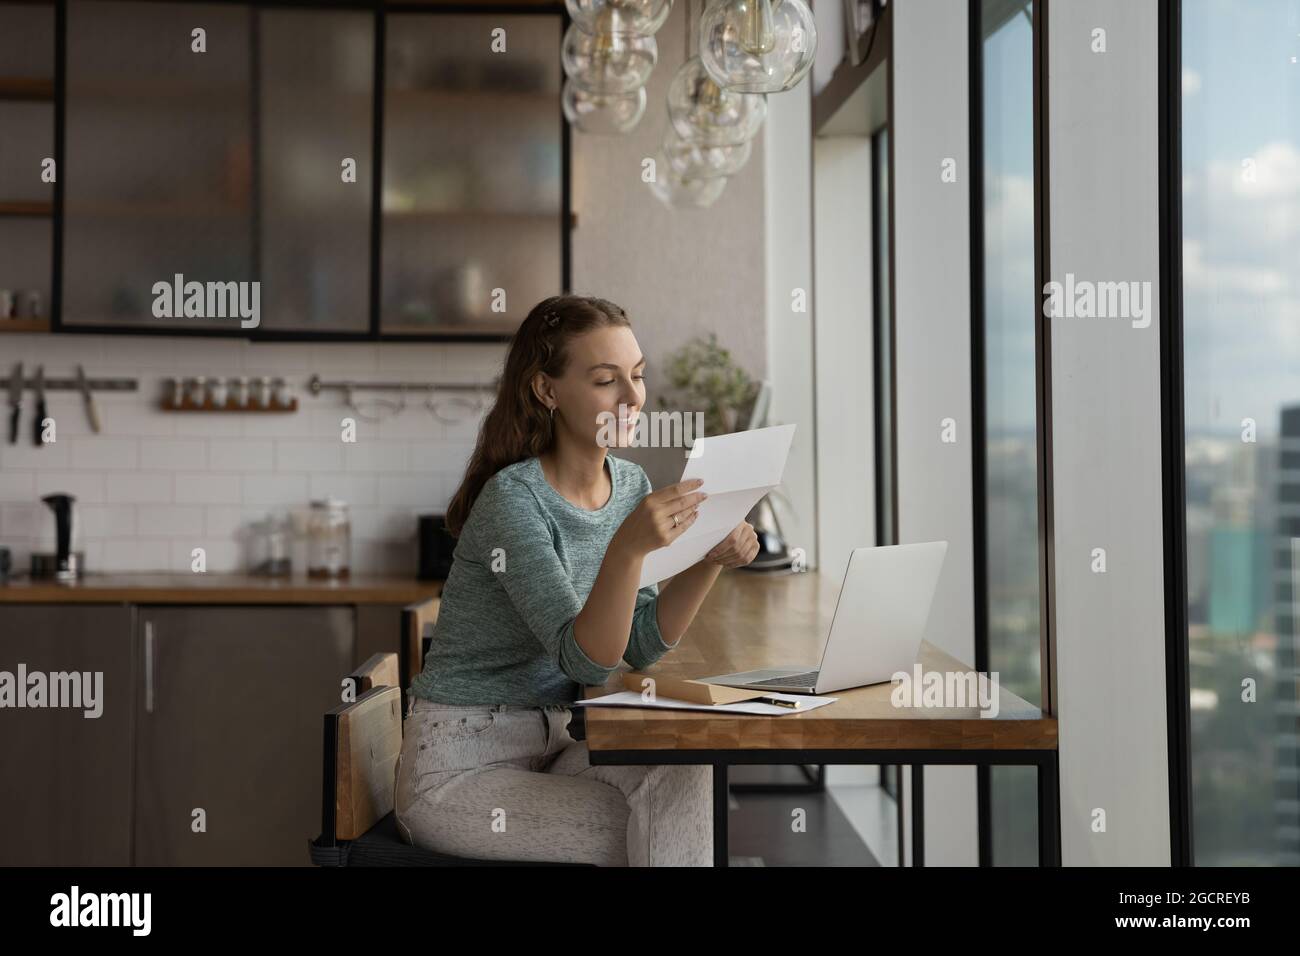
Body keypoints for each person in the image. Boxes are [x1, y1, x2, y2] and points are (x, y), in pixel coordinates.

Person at [394, 294, 759, 866]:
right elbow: (584, 661)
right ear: (547, 390)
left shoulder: (631, 483)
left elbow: (635, 644)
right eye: (607, 380)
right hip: (462, 764)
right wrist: (628, 548)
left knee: (689, 775)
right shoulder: (513, 502)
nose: (634, 397)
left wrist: (708, 558)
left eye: (637, 376)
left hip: (562, 740)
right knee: (640, 828)